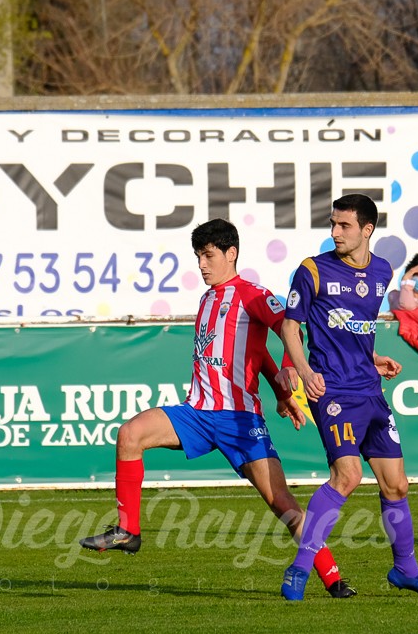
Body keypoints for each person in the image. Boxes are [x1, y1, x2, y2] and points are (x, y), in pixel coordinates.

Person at [79, 218, 356, 598]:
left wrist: (287, 373)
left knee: (282, 503)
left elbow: (289, 329)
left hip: (239, 420)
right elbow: (251, 353)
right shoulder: (208, 299)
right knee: (129, 434)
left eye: (208, 256)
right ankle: (128, 530)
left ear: (231, 253)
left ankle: (332, 578)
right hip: (197, 413)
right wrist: (277, 385)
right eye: (198, 257)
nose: (202, 265)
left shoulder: (254, 294)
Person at [278, 194, 418, 600]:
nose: (335, 232)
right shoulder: (312, 270)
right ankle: (300, 569)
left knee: (397, 485)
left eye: (344, 226)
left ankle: (405, 570)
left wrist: (372, 358)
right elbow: (290, 328)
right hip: (331, 388)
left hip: (369, 388)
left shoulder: (382, 271)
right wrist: (304, 372)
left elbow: (352, 327)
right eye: (333, 224)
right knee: (348, 475)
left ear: (367, 230)